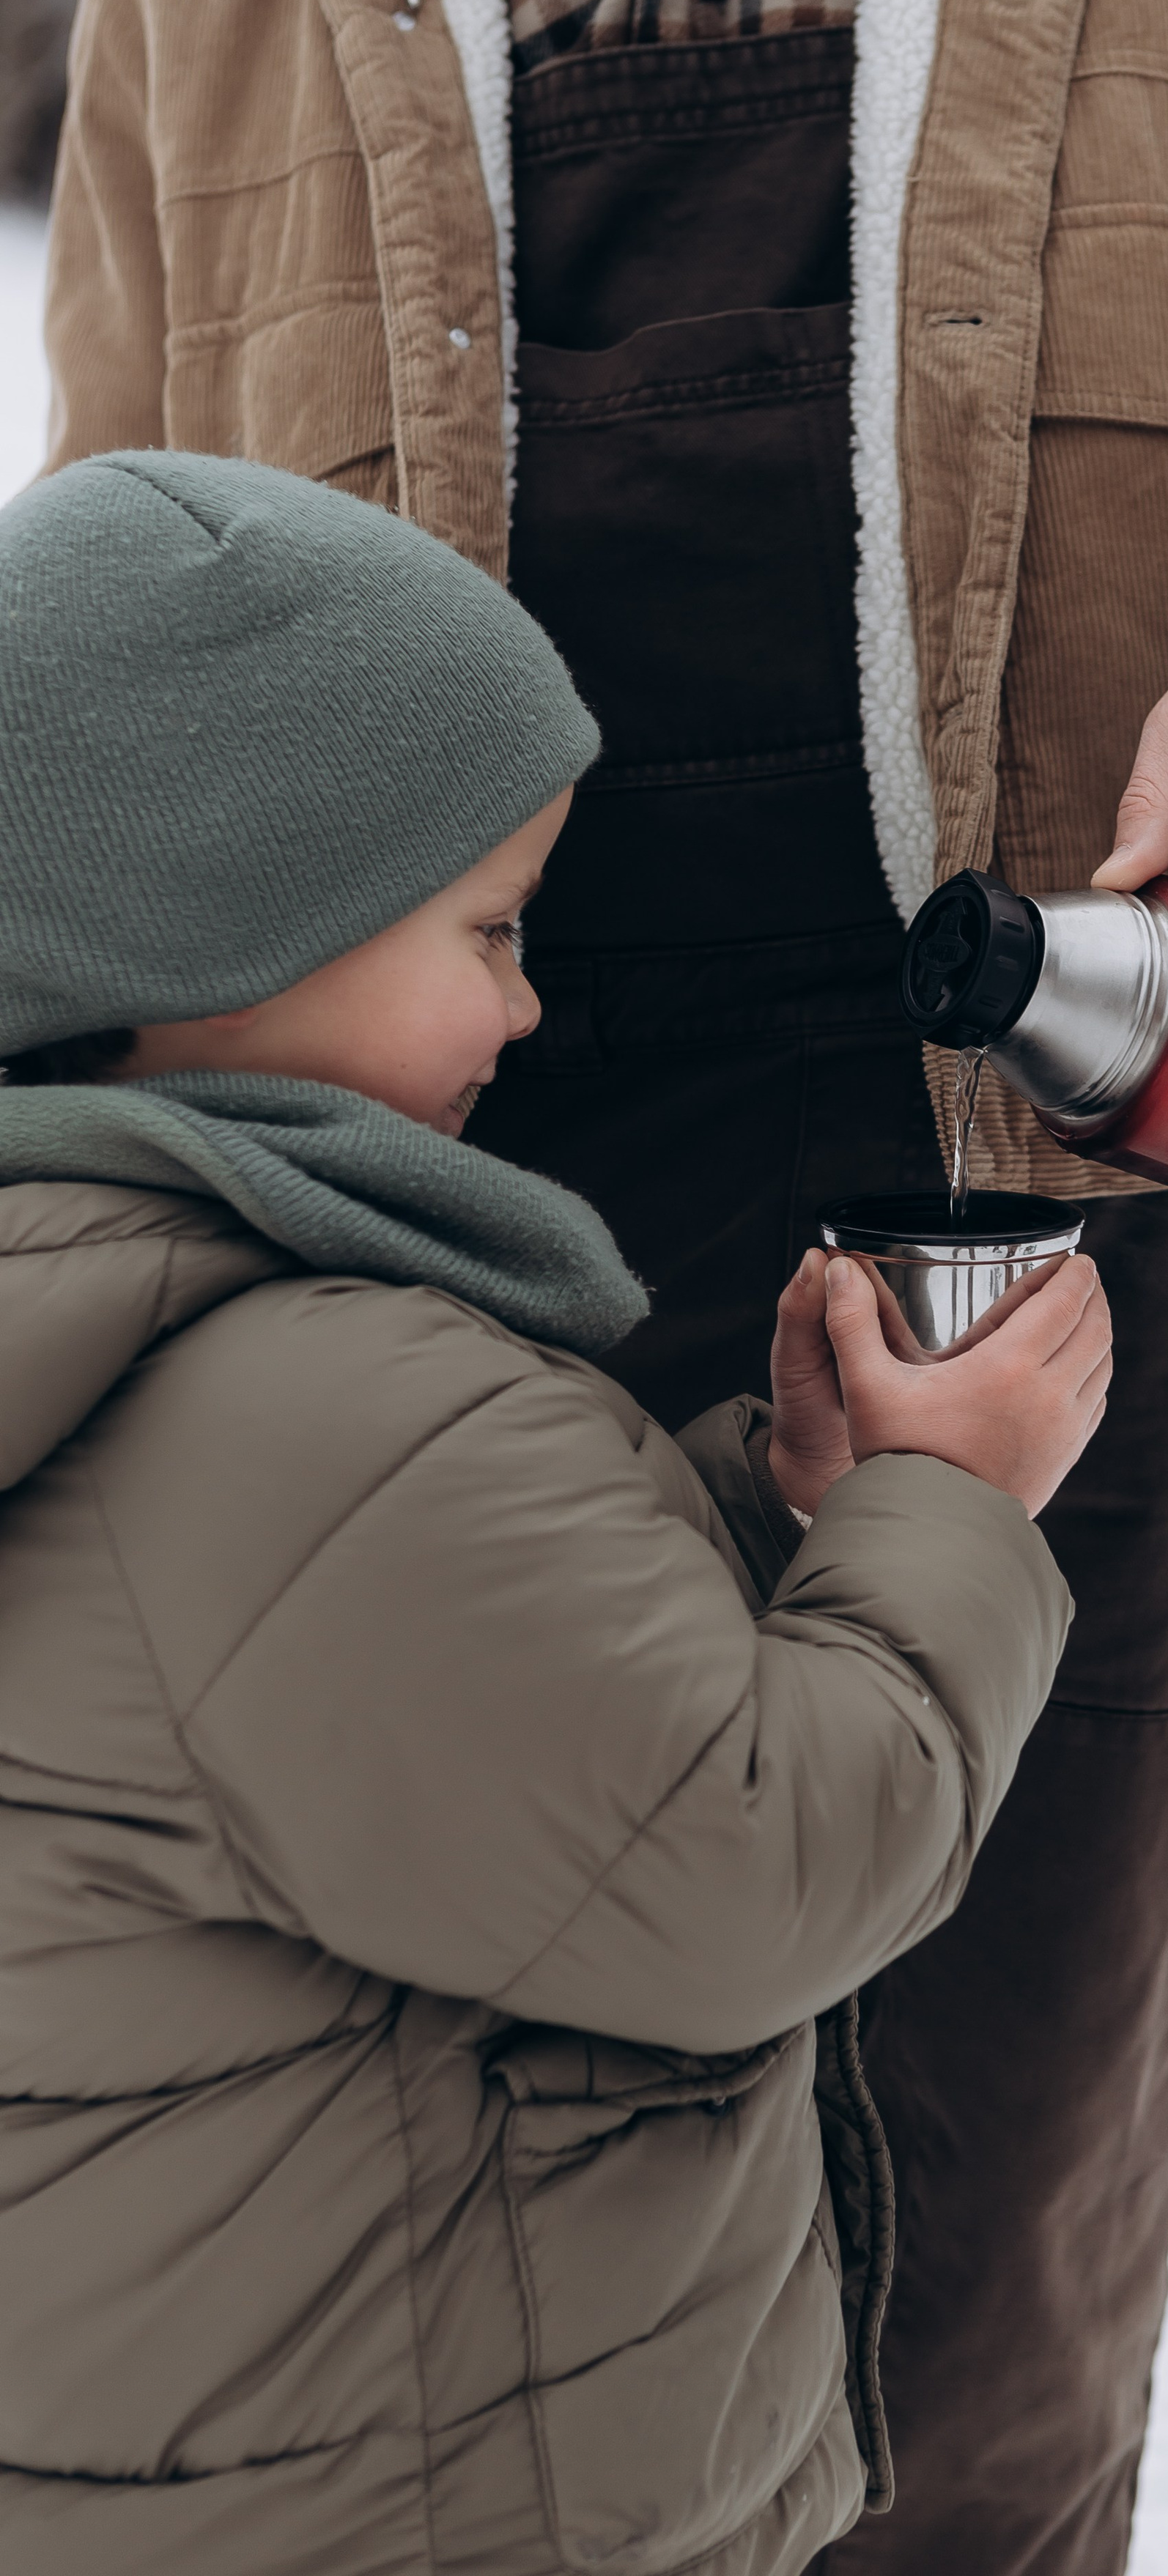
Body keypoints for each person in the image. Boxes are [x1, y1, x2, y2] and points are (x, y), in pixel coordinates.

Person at [40, 0, 1168, 2565]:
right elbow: (137, 563)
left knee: (986, 2265)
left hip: (1103, 1212)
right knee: (430, 2239)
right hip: (395, 1261)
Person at [0, 447, 1112, 2572]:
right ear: (230, 924)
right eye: (490, 930)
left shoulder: (108, 1329)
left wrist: (778, 1516)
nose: (528, 1005)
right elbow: (742, 1865)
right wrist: (947, 1510)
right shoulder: (321, 1404)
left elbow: (431, 1724)